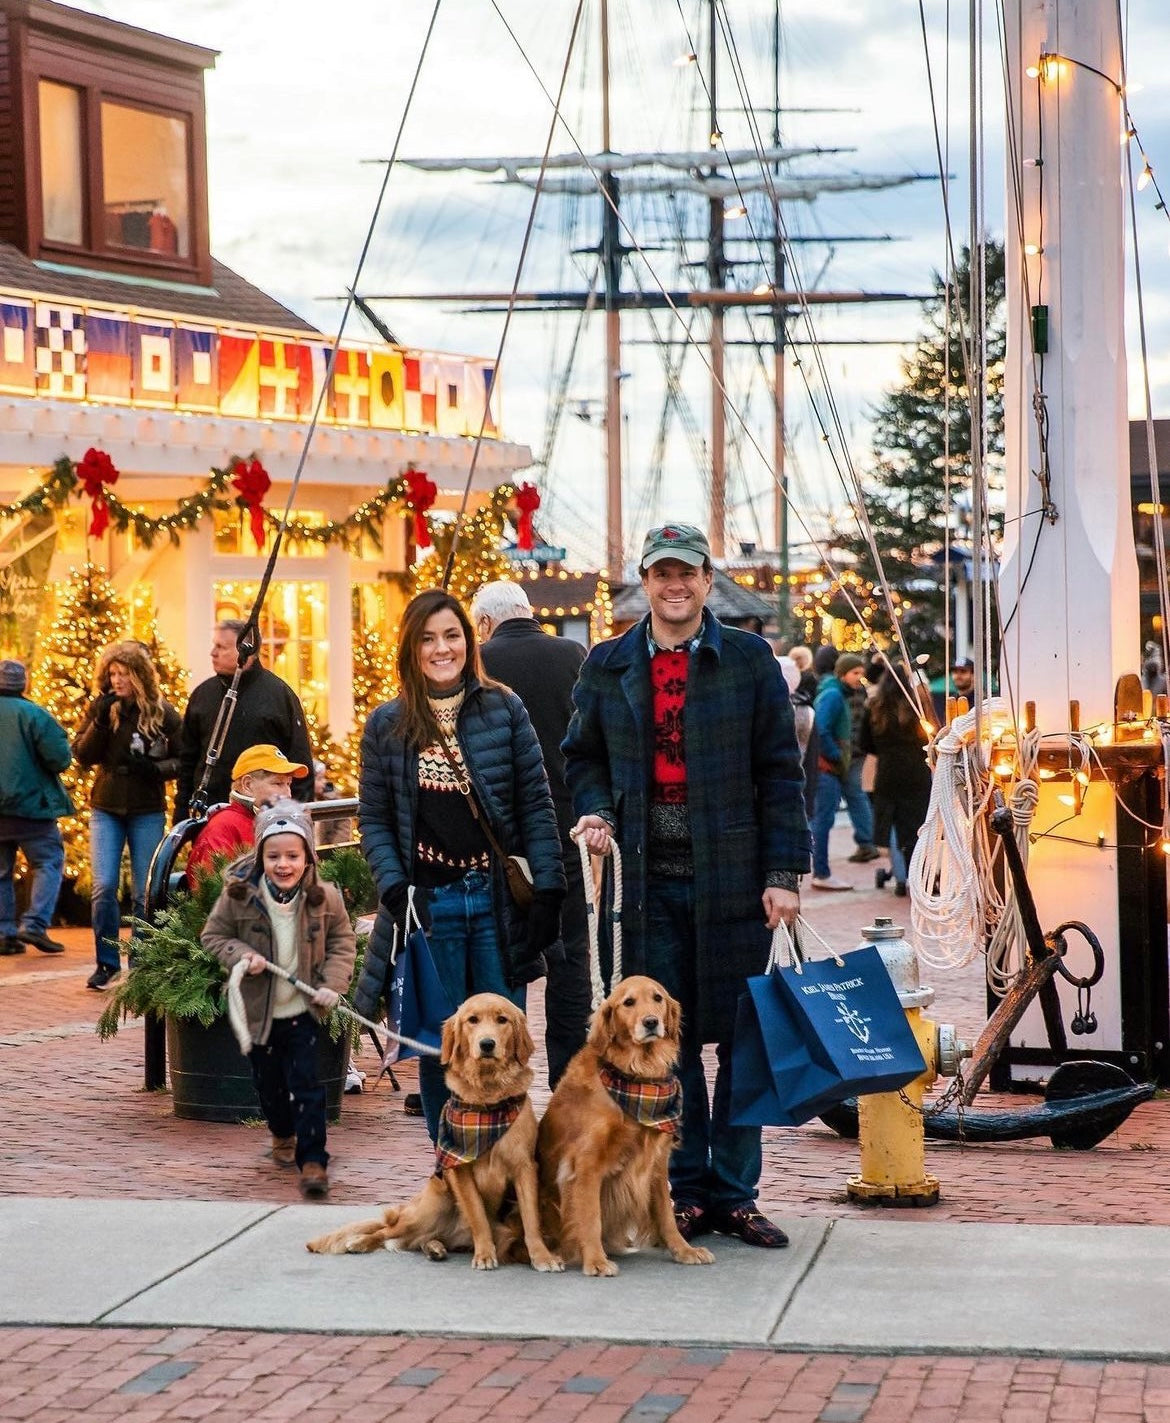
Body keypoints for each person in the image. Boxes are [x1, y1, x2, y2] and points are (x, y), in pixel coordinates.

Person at [563, 522, 809, 1250]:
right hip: (645, 883)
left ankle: (737, 1192)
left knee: (740, 1040)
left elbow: (780, 774)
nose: (676, 585)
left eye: (688, 573)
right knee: (665, 1043)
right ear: (645, 580)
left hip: (734, 883)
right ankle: (689, 1187)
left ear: (707, 580)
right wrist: (596, 810)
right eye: (662, 572)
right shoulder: (606, 665)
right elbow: (582, 759)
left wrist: (783, 874)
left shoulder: (749, 661)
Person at [351, 588, 566, 1144]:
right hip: (431, 905)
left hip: (496, 902)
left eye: (452, 635)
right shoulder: (387, 724)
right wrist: (394, 886)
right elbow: (372, 817)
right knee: (443, 1049)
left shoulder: (504, 707)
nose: (441, 648)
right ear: (411, 648)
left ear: (470, 642)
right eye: (428, 638)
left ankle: (506, 1183)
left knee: (505, 1045)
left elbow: (535, 805)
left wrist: (548, 889)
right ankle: (454, 1177)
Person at [201, 800, 356, 1199]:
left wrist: (332, 985)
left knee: (306, 1084)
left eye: (292, 855)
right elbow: (213, 936)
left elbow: (342, 943)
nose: (283, 864)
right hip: (261, 1013)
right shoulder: (239, 896)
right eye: (273, 856)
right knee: (268, 1085)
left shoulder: (325, 898)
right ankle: (281, 1132)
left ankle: (313, 1160)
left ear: (307, 857)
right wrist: (242, 956)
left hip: (302, 1010)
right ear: (260, 856)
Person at [471, 578, 591, 1088]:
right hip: (568, 825)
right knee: (572, 954)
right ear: (527, 611)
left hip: (497, 836)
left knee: (500, 951)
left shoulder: (475, 662)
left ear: (483, 622)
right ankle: (568, 1076)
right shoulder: (573, 654)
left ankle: (493, 1071)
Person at [73, 642, 182, 989]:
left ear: (139, 676)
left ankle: (141, 959)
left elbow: (183, 760)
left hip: (146, 808)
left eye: (124, 674)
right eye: (112, 674)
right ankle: (106, 963)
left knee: (144, 890)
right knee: (104, 886)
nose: (117, 680)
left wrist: (154, 769)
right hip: (106, 805)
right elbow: (82, 755)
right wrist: (101, 722)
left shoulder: (162, 712)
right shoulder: (102, 709)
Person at [175, 619, 314, 820]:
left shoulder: (279, 696)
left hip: (265, 816)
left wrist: (296, 816)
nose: (213, 653)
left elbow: (299, 757)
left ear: (246, 650)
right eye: (214, 645)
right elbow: (188, 758)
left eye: (221, 647)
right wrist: (182, 811)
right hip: (210, 813)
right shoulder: (203, 695)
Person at [0, 659, 71, 955]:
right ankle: (34, 924)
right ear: (24, 683)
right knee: (48, 863)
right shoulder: (35, 715)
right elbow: (59, 758)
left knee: (1, 871)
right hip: (32, 808)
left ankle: (4, 932)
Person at [185, 744, 309, 888]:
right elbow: (210, 894)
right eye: (278, 783)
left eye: (288, 784)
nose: (288, 794)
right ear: (248, 785)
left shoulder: (274, 825)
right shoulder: (223, 828)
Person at [858, 668, 932, 896]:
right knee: (916, 825)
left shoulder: (874, 707)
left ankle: (900, 875)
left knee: (892, 824)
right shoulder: (917, 705)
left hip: (888, 772)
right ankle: (918, 875)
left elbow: (865, 743)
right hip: (916, 772)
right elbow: (932, 735)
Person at [809, 652, 871, 892]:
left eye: (861, 674)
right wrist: (835, 755)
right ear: (843, 672)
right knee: (823, 819)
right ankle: (821, 872)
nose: (859, 678)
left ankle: (822, 870)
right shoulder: (833, 695)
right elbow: (821, 729)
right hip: (827, 767)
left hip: (831, 766)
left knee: (823, 818)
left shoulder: (837, 693)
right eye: (855, 673)